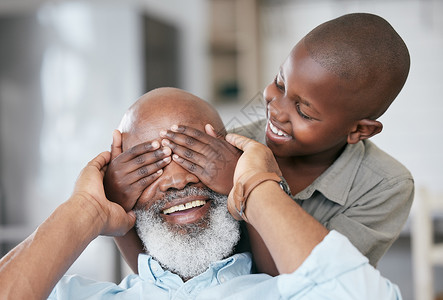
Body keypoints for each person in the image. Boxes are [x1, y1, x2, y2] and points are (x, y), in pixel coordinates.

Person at [0, 87, 403, 299]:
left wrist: (256, 186)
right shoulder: (78, 295)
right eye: (151, 163)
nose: (176, 179)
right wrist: (85, 209)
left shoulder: (290, 293)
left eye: (195, 154)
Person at [105, 12, 414, 276]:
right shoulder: (226, 146)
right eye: (280, 82)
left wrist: (247, 186)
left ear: (359, 130)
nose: (276, 109)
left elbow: (313, 283)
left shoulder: (386, 186)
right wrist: (118, 204)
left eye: (304, 111)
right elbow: (168, 269)